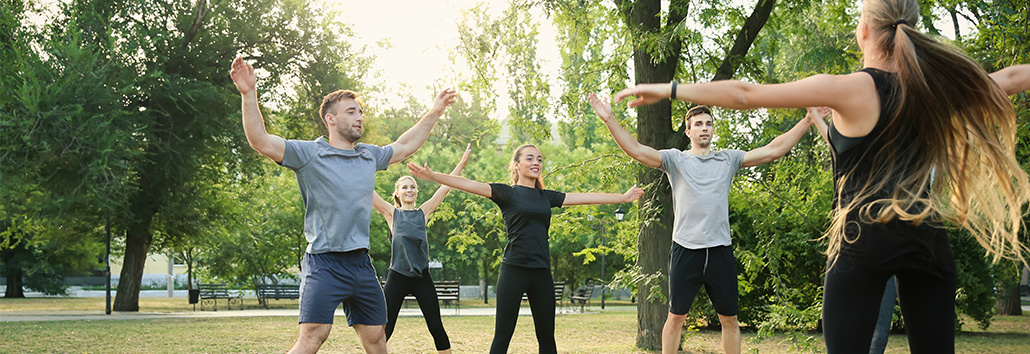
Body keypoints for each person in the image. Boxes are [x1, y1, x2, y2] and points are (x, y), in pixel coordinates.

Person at [611, 0, 1030, 351]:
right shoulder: (933, 88)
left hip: (862, 241)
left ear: (864, 29)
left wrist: (669, 89)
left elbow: (746, 94)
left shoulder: (851, 88)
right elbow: (1011, 77)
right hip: (927, 238)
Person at [229, 56, 457, 354]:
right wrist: (249, 94)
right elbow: (260, 140)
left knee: (377, 338)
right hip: (324, 262)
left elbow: (404, 146)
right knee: (313, 337)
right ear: (331, 119)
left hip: (360, 263)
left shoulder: (368, 155)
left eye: (360, 111)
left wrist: (436, 111)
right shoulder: (309, 153)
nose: (359, 116)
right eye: (351, 111)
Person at [589, 96, 824, 354]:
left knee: (730, 320)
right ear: (688, 131)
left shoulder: (728, 159)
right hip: (685, 251)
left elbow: (773, 150)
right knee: (676, 318)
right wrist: (609, 119)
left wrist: (808, 120)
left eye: (708, 123)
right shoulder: (675, 160)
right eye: (698, 124)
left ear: (713, 130)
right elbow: (636, 149)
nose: (704, 127)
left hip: (720, 251)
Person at [407, 144, 643, 354]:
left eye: (539, 159)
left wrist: (622, 198)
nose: (536, 163)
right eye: (530, 158)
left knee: (547, 340)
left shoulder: (546, 197)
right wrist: (433, 176)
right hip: (513, 271)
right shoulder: (506, 193)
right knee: (502, 338)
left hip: (541, 273)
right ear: (517, 164)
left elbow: (584, 197)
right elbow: (468, 184)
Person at [371, 144, 472, 354]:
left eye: (413, 186)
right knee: (384, 329)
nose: (409, 190)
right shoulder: (391, 214)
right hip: (397, 277)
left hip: (421, 277)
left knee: (436, 327)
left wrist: (461, 164)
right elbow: (365, 190)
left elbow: (445, 188)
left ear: (417, 192)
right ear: (397, 193)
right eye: (405, 187)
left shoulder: (423, 212)